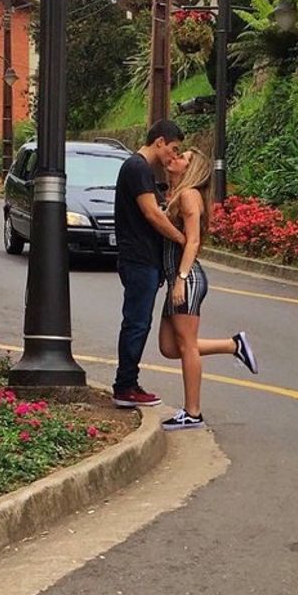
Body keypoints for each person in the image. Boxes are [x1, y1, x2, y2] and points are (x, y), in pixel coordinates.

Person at [158, 146, 259, 431]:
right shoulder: (177, 194)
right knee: (168, 347)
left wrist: (180, 278)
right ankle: (233, 345)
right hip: (179, 278)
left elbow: (192, 241)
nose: (175, 159)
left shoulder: (190, 196)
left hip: (186, 278)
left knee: (186, 345)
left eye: (182, 159)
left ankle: (193, 412)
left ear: (192, 170)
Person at [112, 119, 188, 408]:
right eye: (173, 148)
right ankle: (125, 385)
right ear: (159, 142)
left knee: (138, 321)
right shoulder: (138, 168)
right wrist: (183, 239)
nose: (173, 156)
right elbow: (152, 215)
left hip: (143, 260)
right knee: (137, 322)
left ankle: (128, 383)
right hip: (138, 259)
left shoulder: (141, 170)